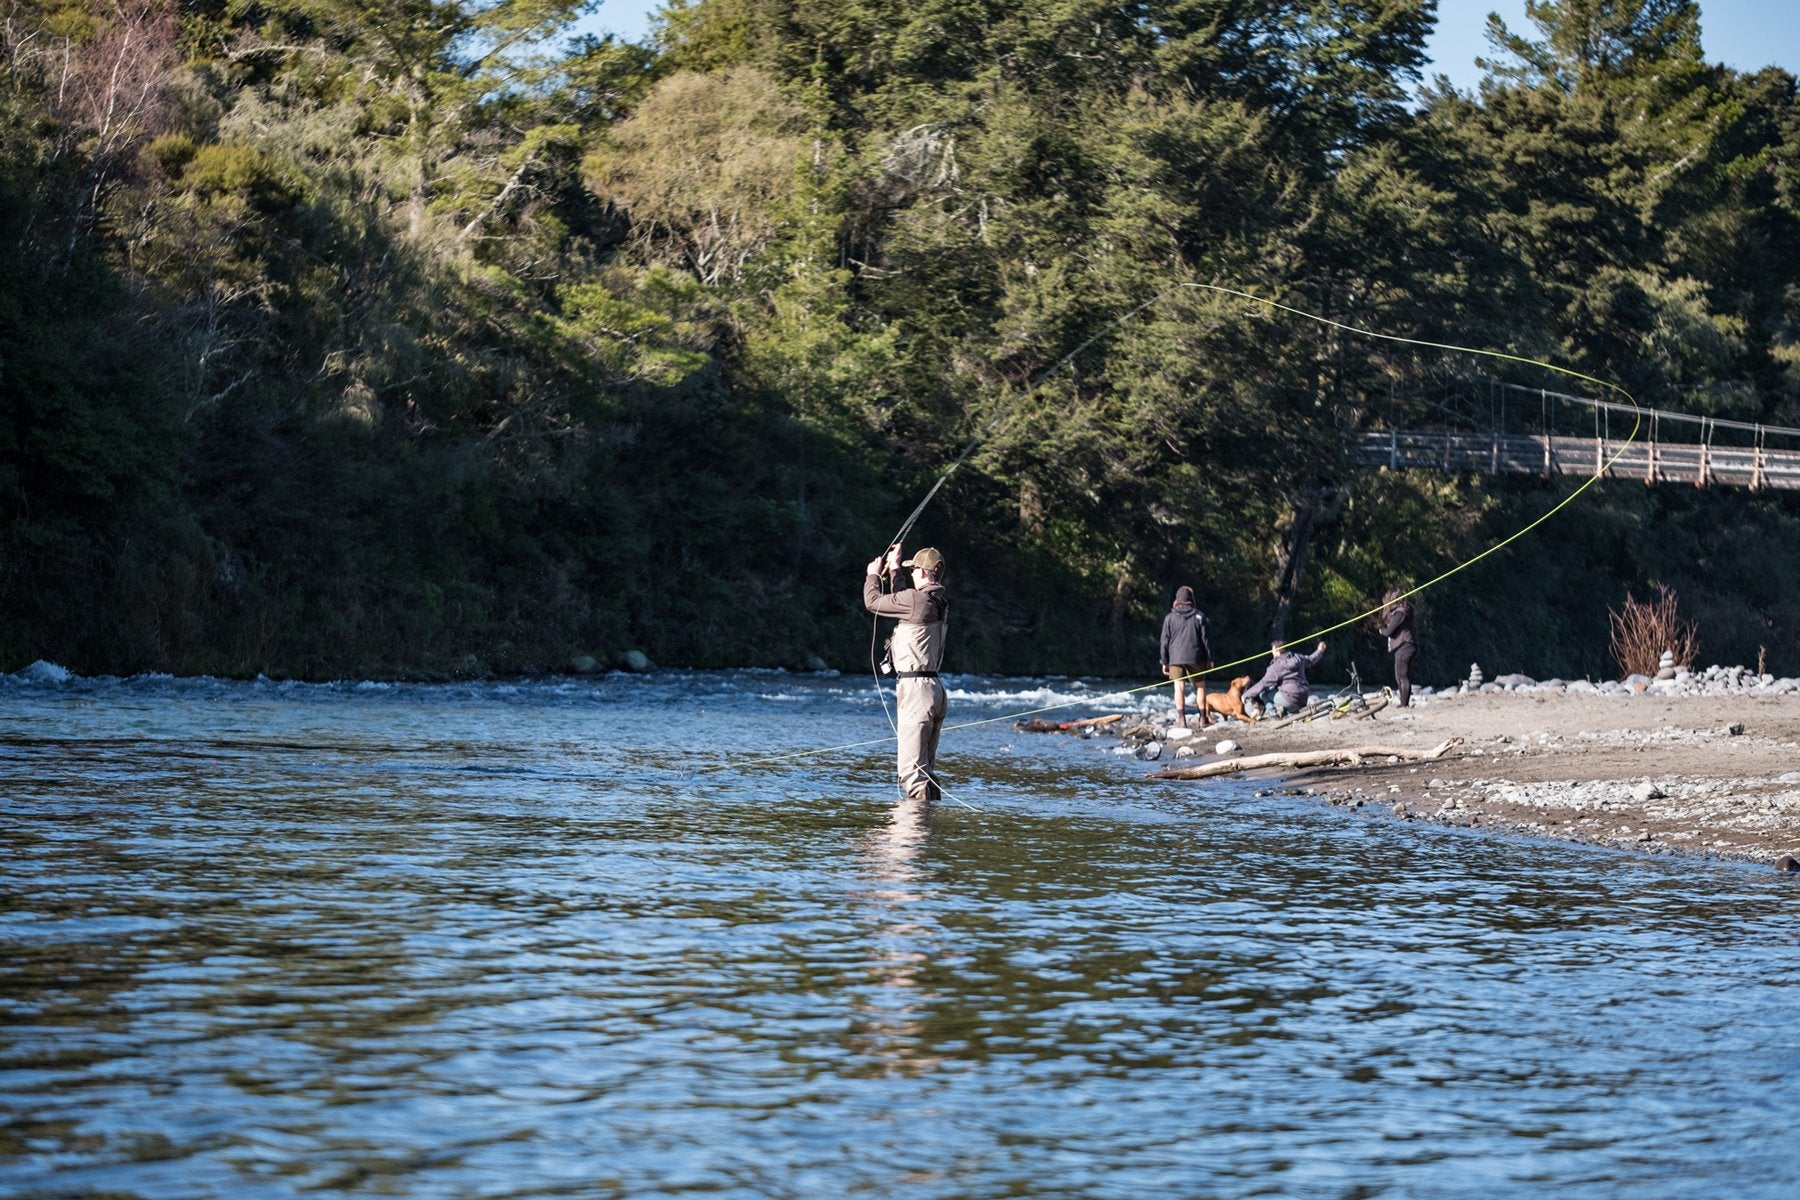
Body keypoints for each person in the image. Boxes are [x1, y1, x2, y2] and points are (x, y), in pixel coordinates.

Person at [863, 544, 949, 802]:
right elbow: (904, 599)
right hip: (935, 690)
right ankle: (927, 831)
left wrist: (873, 575)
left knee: (912, 774)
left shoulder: (916, 600)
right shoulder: (936, 600)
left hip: (916, 692)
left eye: (914, 570)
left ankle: (910, 838)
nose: (912, 575)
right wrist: (897, 568)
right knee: (926, 771)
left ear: (924, 572)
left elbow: (873, 602)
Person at [1158, 585, 1213, 727]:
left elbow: (1164, 641)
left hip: (1175, 658)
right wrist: (1210, 659)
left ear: (1177, 600)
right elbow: (1206, 640)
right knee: (1200, 686)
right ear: (1190, 600)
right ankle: (1202, 719)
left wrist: (1164, 661)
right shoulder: (1199, 616)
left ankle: (1182, 720)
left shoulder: (1169, 618)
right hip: (1196, 657)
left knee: (1179, 687)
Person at [1247, 638, 1327, 716]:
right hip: (1303, 698)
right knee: (1277, 689)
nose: (1272, 652)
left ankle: (1273, 714)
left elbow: (1263, 684)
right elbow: (1311, 659)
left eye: (1273, 650)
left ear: (1277, 652)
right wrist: (1320, 651)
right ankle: (1290, 712)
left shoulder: (1276, 666)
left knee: (1263, 693)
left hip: (1290, 699)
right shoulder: (1298, 658)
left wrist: (1246, 695)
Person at [1379, 587, 1418, 707]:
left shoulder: (1400, 612)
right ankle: (1403, 703)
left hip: (1405, 646)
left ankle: (1404, 704)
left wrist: (1381, 630)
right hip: (1405, 646)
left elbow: (1389, 631)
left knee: (1402, 675)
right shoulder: (1401, 612)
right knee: (1400, 675)